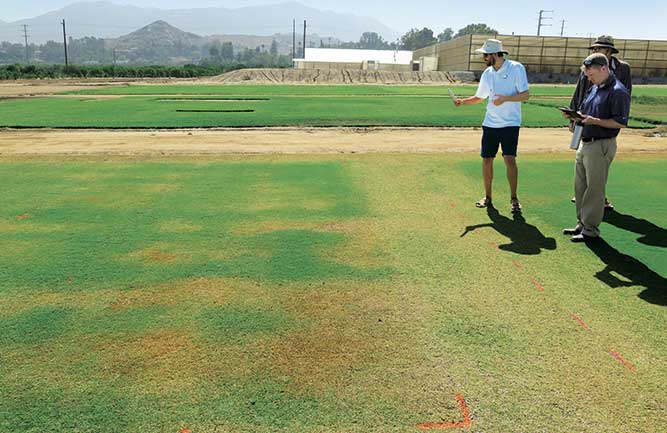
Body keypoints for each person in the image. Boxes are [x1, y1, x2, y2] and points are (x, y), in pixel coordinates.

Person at [454, 39, 530, 214]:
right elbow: (480, 97)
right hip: (490, 124)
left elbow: (526, 95)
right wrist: (462, 102)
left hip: (510, 123)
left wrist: (505, 99)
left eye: (485, 54)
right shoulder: (487, 73)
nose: (483, 57)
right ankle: (487, 197)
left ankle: (514, 199)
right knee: (487, 160)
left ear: (495, 54)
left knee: (509, 159)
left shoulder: (516, 68)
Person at [563, 53, 630, 242]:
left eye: (591, 74)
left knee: (595, 188)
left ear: (604, 68)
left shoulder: (618, 91)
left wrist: (594, 121)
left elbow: (620, 122)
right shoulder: (595, 88)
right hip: (585, 142)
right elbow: (585, 111)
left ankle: (590, 230)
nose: (589, 78)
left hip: (601, 144)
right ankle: (581, 224)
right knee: (580, 186)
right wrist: (575, 116)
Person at [568, 35, 632, 210]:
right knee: (586, 170)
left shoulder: (622, 69)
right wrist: (575, 114)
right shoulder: (588, 67)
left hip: (605, 119)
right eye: (594, 48)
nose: (596, 51)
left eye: (599, 48)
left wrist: (614, 113)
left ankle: (597, 202)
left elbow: (625, 93)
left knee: (598, 168)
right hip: (588, 114)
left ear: (609, 51)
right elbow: (580, 90)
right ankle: (587, 207)